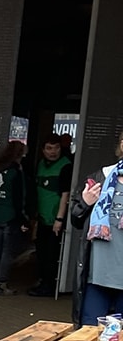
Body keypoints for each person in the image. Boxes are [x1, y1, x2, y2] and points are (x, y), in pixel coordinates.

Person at [70, 126, 123, 326]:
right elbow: (76, 221)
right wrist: (84, 203)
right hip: (97, 277)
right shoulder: (101, 177)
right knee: (89, 338)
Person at [28, 133, 72, 297]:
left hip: (55, 219)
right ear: (43, 150)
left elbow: (65, 195)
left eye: (56, 148)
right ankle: (42, 281)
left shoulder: (66, 166)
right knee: (41, 252)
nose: (53, 152)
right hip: (42, 217)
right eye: (49, 148)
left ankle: (49, 286)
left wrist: (59, 219)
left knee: (52, 254)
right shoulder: (40, 164)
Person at [0, 140, 28, 295]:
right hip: (9, 215)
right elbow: (18, 198)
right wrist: (23, 218)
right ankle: (1, 283)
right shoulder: (15, 172)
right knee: (6, 251)